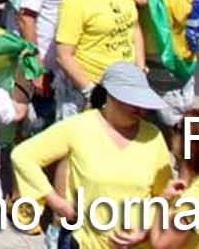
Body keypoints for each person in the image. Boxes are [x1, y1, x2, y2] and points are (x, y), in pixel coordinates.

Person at [9, 63, 175, 249]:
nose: (140, 109)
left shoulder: (153, 136)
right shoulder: (80, 126)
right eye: (132, 101)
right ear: (110, 95)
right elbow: (23, 156)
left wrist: (144, 232)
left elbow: (164, 195)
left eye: (141, 102)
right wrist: (56, 202)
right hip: (85, 242)